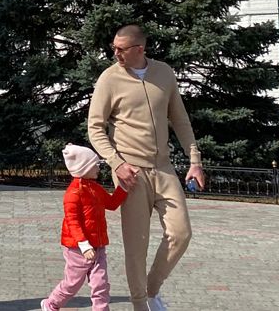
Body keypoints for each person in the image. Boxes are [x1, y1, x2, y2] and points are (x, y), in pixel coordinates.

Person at [87, 24, 206, 311]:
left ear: (140, 49)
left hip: (164, 168)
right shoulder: (109, 78)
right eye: (113, 48)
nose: (115, 54)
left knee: (181, 233)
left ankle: (151, 290)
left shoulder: (163, 73)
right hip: (131, 173)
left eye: (121, 49)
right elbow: (95, 128)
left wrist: (195, 161)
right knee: (136, 246)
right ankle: (140, 304)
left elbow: (180, 119)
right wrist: (117, 163)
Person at [42, 144, 127, 311]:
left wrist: (124, 187)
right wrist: (84, 245)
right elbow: (72, 221)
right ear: (84, 168)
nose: (98, 168)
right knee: (72, 283)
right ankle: (51, 304)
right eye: (95, 165)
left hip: (98, 245)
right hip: (78, 248)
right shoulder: (73, 193)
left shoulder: (94, 188)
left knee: (100, 283)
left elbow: (111, 204)